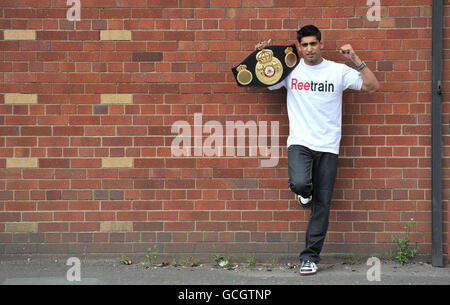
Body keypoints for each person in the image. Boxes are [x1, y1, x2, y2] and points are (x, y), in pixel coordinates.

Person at [255, 25, 379, 275]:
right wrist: (260, 57)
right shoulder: (290, 70)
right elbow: (263, 80)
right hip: (300, 141)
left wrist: (355, 59)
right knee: (300, 183)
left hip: (328, 146)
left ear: (321, 44)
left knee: (323, 204)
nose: (309, 49)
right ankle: (304, 193)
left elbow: (372, 86)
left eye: (313, 44)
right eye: (305, 45)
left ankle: (310, 257)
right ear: (298, 47)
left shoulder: (337, 71)